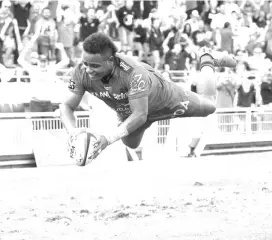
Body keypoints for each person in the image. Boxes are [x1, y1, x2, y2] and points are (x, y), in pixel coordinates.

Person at [59, 32, 236, 161]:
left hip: (165, 100)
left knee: (209, 107)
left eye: (94, 66)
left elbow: (140, 115)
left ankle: (207, 59)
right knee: (130, 143)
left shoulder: (133, 74)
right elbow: (66, 106)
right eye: (85, 63)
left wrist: (107, 139)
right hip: (133, 110)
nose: (88, 70)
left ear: (111, 61)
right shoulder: (80, 73)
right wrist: (72, 132)